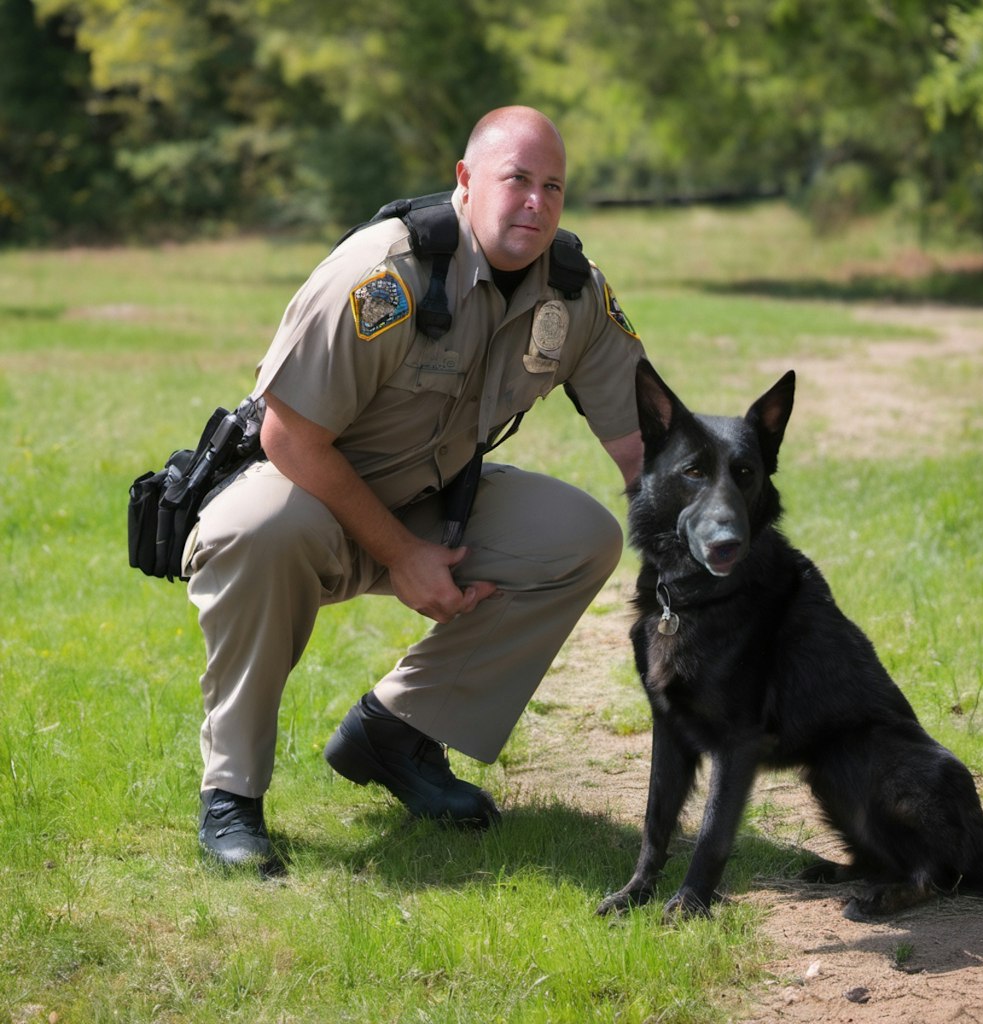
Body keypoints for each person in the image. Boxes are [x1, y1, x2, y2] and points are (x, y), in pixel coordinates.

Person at [184, 105, 647, 868]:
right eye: (518, 180)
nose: (536, 202)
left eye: (554, 187)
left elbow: (639, 444)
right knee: (253, 531)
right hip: (310, 495)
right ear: (466, 181)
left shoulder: (573, 293)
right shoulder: (385, 274)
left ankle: (395, 732)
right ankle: (231, 796)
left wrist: (704, 549)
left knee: (581, 538)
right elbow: (289, 436)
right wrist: (400, 554)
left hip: (436, 499)